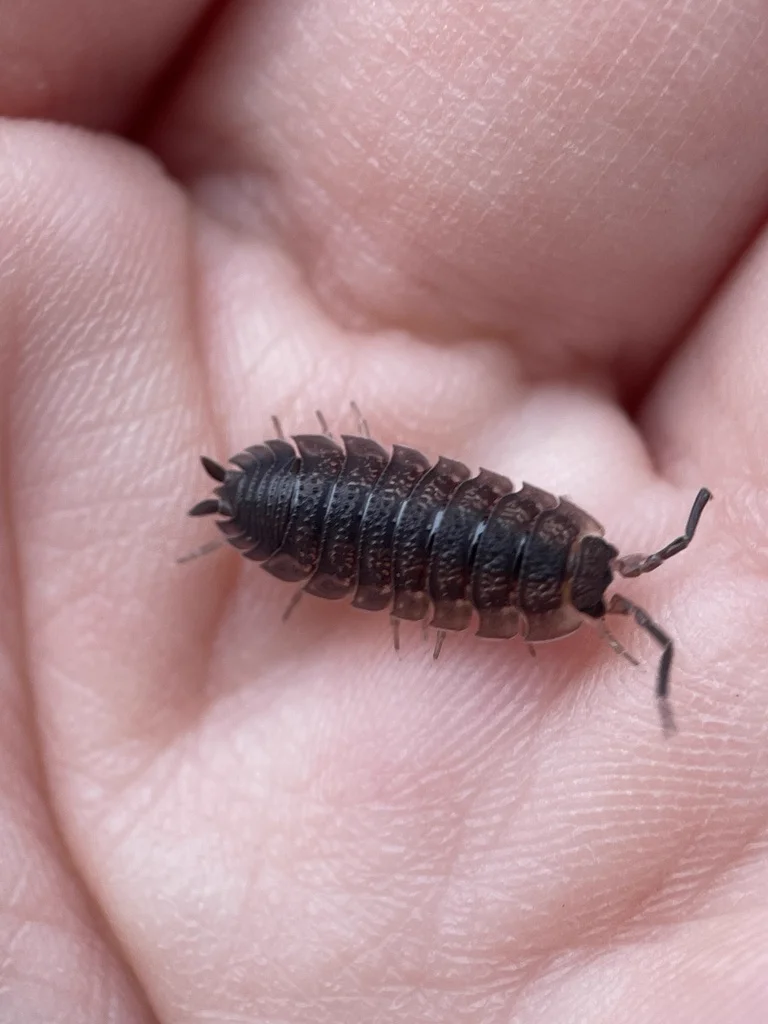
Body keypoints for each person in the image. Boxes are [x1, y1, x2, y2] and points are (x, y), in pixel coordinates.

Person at [1, 2, 765, 1021]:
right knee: (411, 533)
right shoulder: (525, 577)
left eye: (595, 591)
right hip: (307, 496)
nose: (604, 582)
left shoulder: (532, 544)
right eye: (606, 571)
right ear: (559, 524)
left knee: (416, 530)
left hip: (331, 505)